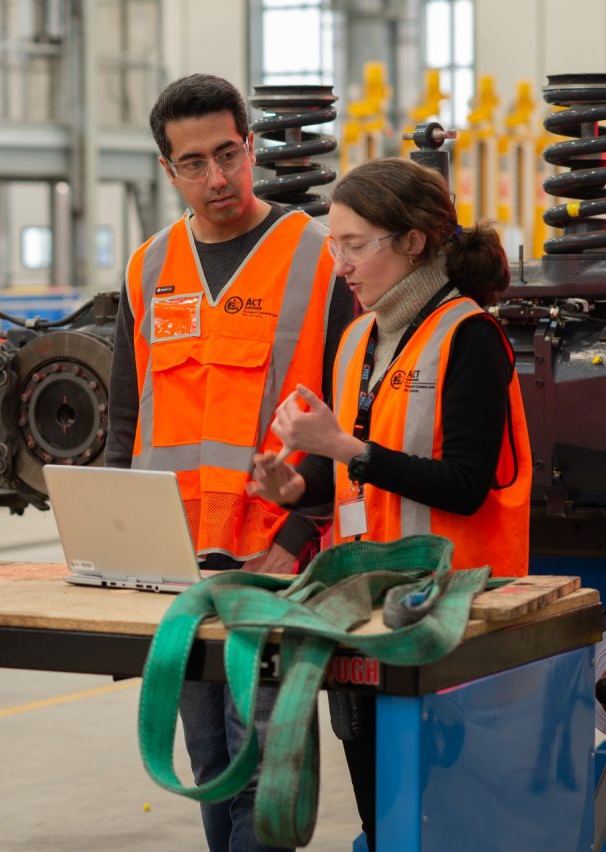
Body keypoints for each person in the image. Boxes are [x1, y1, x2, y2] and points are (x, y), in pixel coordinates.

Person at [248, 157, 532, 849]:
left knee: (445, 819)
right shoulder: (357, 339)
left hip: (451, 619)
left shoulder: (470, 337)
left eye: (356, 244)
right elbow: (351, 467)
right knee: (384, 816)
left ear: (412, 242)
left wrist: (343, 450)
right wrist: (299, 484)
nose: (340, 263)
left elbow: (463, 483)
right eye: (332, 244)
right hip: (365, 613)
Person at [107, 73, 353, 852]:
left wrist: (305, 525)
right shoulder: (148, 270)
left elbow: (354, 412)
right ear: (166, 169)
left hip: (279, 562)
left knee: (265, 770)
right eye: (192, 163)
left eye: (227, 154)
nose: (216, 179)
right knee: (210, 763)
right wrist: (117, 540)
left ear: (252, 147)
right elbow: (125, 416)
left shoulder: (320, 258)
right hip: (176, 570)